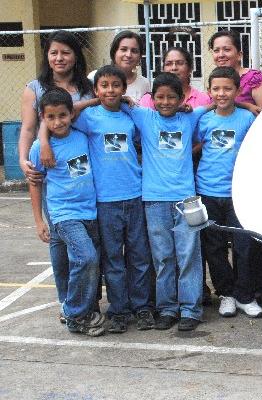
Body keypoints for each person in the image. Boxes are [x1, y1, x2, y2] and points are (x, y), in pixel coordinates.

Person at [38, 65, 155, 333]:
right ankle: (119, 309)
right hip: (104, 202)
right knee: (112, 260)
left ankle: (143, 307)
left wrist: (124, 102)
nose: (110, 90)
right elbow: (60, 115)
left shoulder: (130, 115)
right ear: (96, 89)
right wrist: (95, 100)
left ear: (125, 89)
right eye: (104, 86)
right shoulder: (89, 117)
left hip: (135, 196)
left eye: (116, 85)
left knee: (139, 256)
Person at [120, 72, 210, 332]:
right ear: (152, 98)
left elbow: (215, 104)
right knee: (163, 258)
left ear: (182, 98)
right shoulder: (144, 117)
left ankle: (191, 310)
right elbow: (115, 101)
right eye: (160, 97)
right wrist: (126, 97)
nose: (166, 102)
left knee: (189, 255)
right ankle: (168, 308)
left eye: (172, 97)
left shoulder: (190, 117)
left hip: (187, 199)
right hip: (154, 200)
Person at [28, 88, 105, 337]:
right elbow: (35, 183)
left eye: (63, 115)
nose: (58, 122)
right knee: (87, 257)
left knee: (90, 262)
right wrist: (39, 220)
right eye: (51, 117)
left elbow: (79, 109)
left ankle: (85, 309)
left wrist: (96, 99)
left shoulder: (82, 135)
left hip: (90, 211)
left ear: (71, 114)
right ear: (43, 117)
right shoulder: (40, 148)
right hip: (63, 214)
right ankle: (74, 312)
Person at [195, 66, 262, 319]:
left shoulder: (246, 119)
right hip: (207, 191)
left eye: (227, 88)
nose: (221, 93)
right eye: (216, 89)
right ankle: (225, 294)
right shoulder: (203, 119)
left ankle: (245, 295)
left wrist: (247, 107)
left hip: (238, 193)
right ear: (209, 91)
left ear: (237, 91)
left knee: (243, 246)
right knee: (213, 248)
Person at [209, 30, 262, 302]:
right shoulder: (216, 84)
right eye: (217, 49)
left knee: (249, 239)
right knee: (216, 241)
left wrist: (243, 105)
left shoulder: (253, 78)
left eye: (227, 49)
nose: (222, 54)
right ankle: (228, 292)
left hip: (247, 169)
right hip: (215, 176)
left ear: (239, 53)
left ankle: (252, 290)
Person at [19, 30, 96, 186]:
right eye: (54, 53)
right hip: (52, 166)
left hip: (86, 166)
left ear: (76, 56)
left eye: (65, 53)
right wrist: (23, 159)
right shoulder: (34, 89)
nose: (59, 58)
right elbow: (27, 129)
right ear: (47, 56)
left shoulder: (89, 88)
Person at [139, 46, 211, 109]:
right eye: (168, 64)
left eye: (180, 63)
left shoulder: (203, 99)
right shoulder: (149, 100)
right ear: (163, 69)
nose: (174, 68)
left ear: (190, 68)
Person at [88, 30, 150, 102]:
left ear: (140, 56)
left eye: (134, 51)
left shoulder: (144, 83)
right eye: (123, 49)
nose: (128, 55)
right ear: (114, 52)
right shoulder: (95, 77)